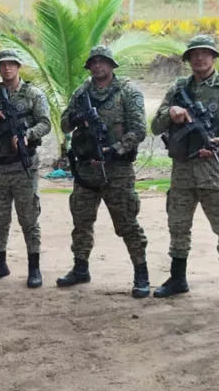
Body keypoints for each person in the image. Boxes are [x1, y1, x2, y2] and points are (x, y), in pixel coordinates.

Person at [150, 35, 219, 309]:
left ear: (214, 57)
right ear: (188, 59)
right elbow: (155, 126)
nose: (199, 58)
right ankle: (177, 279)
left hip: (215, 173)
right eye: (194, 54)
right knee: (178, 226)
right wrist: (171, 112)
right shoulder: (178, 88)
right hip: (183, 171)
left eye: (205, 53)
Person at [57, 46, 151, 297]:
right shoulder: (81, 93)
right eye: (94, 62)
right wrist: (77, 118)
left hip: (117, 169)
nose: (98, 65)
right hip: (86, 169)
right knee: (81, 221)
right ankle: (80, 268)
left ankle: (141, 273)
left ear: (111, 65)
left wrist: (116, 149)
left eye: (103, 61)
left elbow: (139, 130)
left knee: (127, 222)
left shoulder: (127, 91)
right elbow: (64, 124)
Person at [0, 49, 51, 288]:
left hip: (23, 166)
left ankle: (34, 267)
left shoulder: (33, 94)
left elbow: (45, 123)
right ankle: (0, 263)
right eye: (2, 65)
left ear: (18, 67)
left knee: (29, 218)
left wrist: (29, 134)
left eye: (11, 64)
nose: (6, 68)